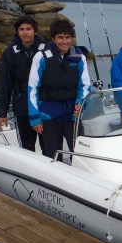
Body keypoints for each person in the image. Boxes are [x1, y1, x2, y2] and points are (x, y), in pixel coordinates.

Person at [28, 19, 91, 159]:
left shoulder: (80, 57)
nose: (64, 41)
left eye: (67, 37)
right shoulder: (40, 57)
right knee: (53, 157)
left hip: (72, 116)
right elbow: (32, 89)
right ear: (53, 38)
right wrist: (35, 119)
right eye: (60, 37)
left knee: (80, 155)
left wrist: (80, 103)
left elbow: (85, 85)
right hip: (49, 115)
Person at [0, 15, 46, 151]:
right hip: (22, 106)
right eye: (22, 29)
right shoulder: (9, 53)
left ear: (35, 31)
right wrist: (3, 112)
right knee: (27, 148)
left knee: (49, 147)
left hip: (44, 104)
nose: (25, 32)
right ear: (17, 32)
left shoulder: (47, 49)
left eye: (29, 29)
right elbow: (5, 83)